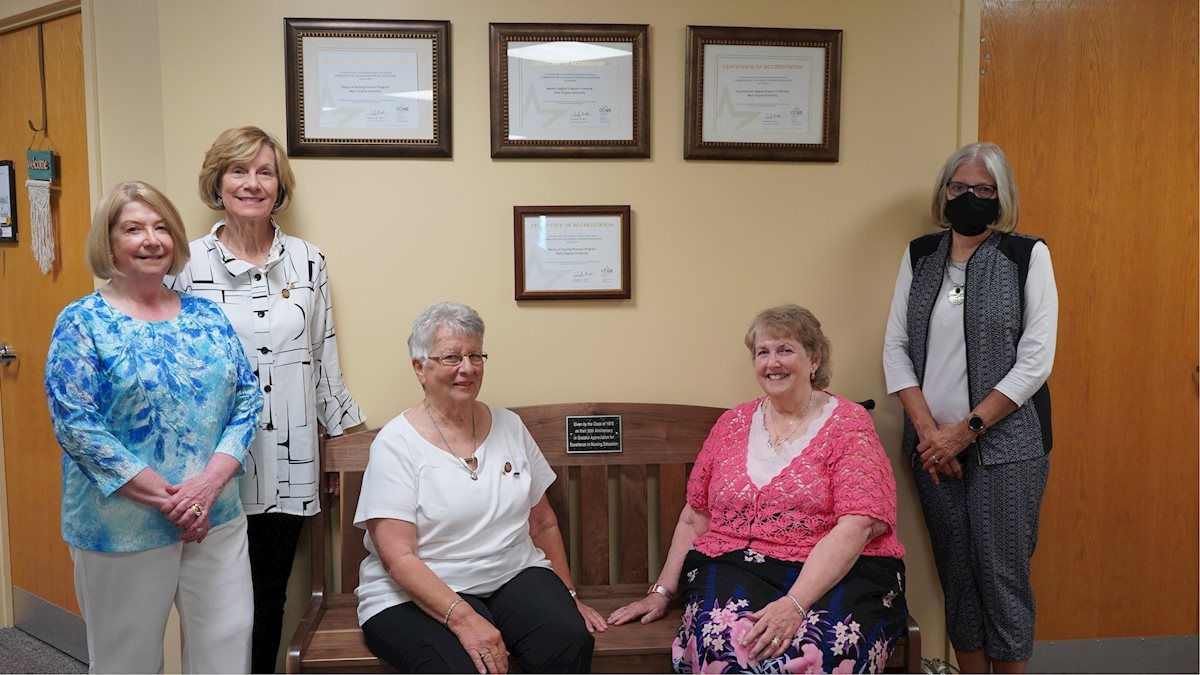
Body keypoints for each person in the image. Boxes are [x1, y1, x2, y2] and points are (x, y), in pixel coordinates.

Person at [609, 305, 908, 674]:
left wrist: (794, 605)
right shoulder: (732, 423)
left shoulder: (848, 424)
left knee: (824, 652)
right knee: (728, 644)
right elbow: (695, 516)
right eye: (762, 352)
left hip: (838, 571)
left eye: (785, 350)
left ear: (814, 358)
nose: (772, 362)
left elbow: (858, 525)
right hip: (737, 564)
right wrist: (661, 593)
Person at [169, 126, 365, 673]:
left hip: (290, 454)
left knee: (270, 593)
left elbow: (323, 354)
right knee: (216, 600)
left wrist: (332, 442)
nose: (252, 183)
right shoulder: (185, 266)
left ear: (280, 185)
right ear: (217, 181)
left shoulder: (309, 262)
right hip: (212, 462)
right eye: (238, 170)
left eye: (264, 171)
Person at [44, 181, 262, 673]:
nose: (151, 240)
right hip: (122, 527)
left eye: (162, 227)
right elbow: (78, 426)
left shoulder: (208, 317)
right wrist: (175, 500)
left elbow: (247, 401)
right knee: (128, 662)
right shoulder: (82, 323)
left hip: (216, 518)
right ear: (109, 241)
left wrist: (206, 488)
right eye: (134, 229)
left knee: (226, 653)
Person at [883, 142, 1057, 673]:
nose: (971, 198)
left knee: (1002, 579)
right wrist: (931, 433)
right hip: (932, 447)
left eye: (984, 190)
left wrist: (966, 430)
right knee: (956, 576)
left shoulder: (1026, 255)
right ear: (944, 193)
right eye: (960, 187)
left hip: (1008, 448)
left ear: (1001, 197)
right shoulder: (920, 255)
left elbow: (1035, 360)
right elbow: (895, 347)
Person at [354, 302, 603, 674]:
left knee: (568, 639)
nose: (467, 368)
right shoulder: (395, 444)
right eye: (452, 357)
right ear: (420, 368)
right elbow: (398, 557)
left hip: (511, 573)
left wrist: (568, 596)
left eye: (475, 355)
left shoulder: (510, 426)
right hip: (414, 592)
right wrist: (464, 618)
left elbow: (543, 524)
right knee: (463, 668)